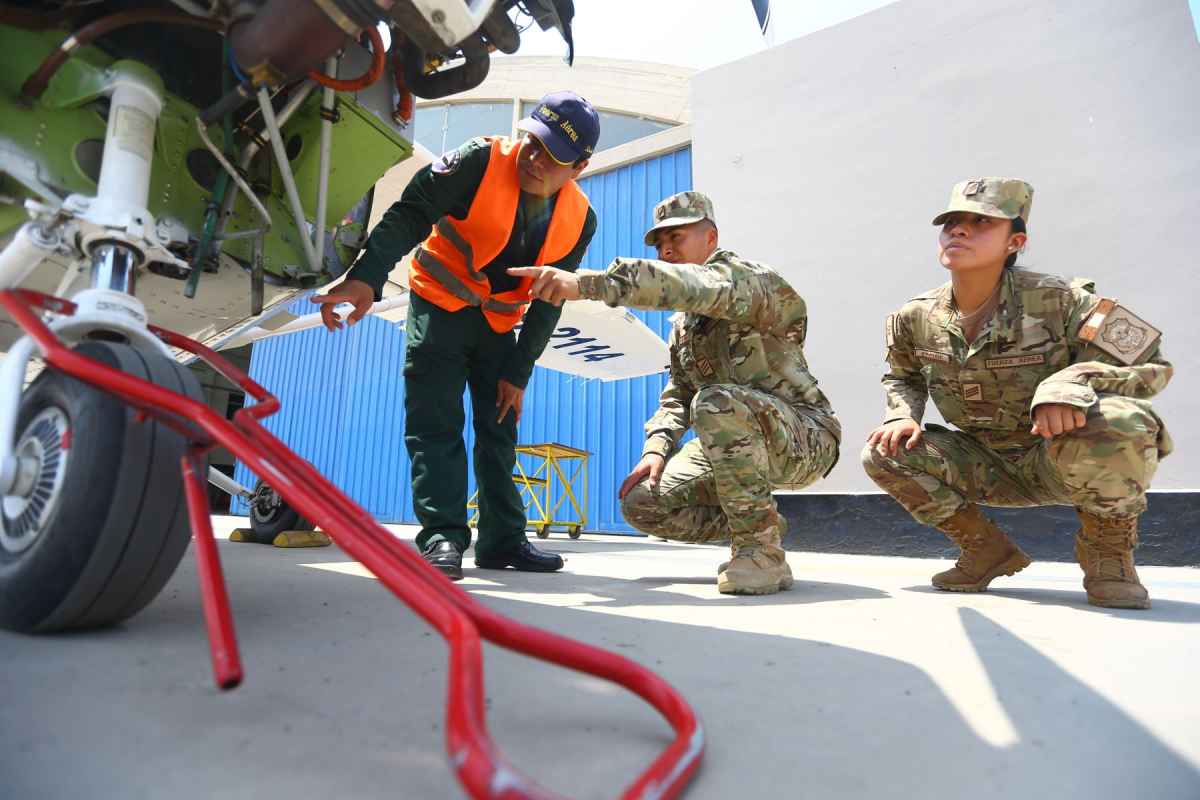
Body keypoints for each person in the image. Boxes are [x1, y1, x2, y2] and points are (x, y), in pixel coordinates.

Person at [312, 91, 600, 581]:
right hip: (440, 308)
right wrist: (368, 275)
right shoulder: (478, 160)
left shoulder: (582, 221)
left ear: (579, 167)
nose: (533, 159)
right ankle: (443, 536)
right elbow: (411, 211)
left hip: (497, 327)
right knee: (435, 426)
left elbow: (551, 299)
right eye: (533, 141)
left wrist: (518, 371)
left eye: (552, 156)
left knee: (499, 429)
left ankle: (503, 539)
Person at [862, 177, 1172, 609]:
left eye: (981, 222)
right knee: (883, 450)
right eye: (951, 221)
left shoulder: (1063, 300)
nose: (959, 230)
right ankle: (985, 548)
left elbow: (1150, 366)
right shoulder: (916, 315)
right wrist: (902, 414)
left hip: (1058, 456)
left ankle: (1108, 556)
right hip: (983, 461)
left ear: (1015, 242)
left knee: (1121, 420)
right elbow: (903, 376)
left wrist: (1070, 383)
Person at [511, 191, 841, 595]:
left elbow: (690, 287)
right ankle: (761, 520)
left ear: (711, 238)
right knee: (642, 503)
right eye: (660, 246)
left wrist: (585, 284)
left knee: (717, 401)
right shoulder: (686, 326)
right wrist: (655, 450)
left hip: (804, 437)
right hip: (733, 438)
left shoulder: (752, 282)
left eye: (677, 239)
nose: (667, 251)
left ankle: (760, 550)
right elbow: (679, 394)